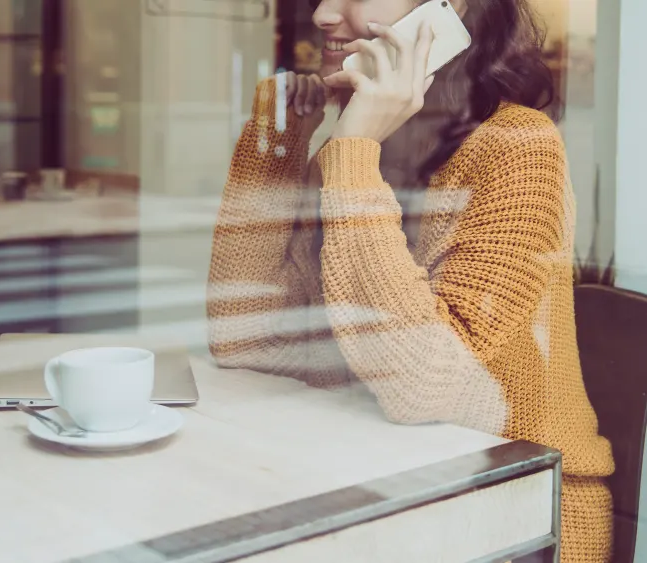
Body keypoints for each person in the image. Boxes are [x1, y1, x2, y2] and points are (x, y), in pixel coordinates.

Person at [205, 0, 614, 561]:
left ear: (449, 9)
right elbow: (246, 339)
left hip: (514, 512)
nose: (324, 14)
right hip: (377, 477)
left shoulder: (519, 148)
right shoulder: (359, 148)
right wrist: (281, 141)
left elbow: (425, 387)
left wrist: (353, 153)